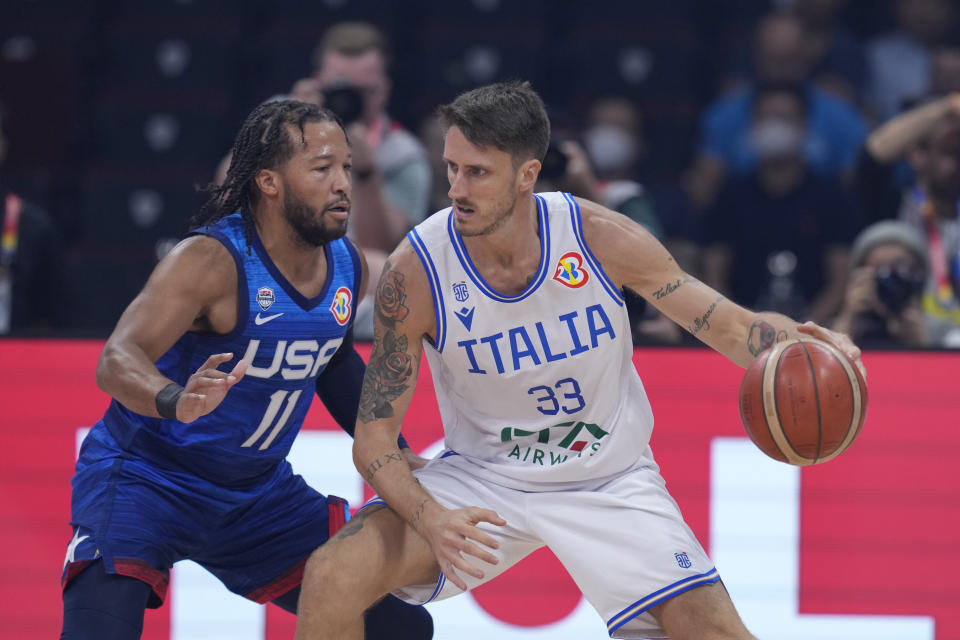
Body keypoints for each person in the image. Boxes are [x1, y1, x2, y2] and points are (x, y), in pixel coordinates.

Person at [293, 81, 865, 640]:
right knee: (331, 575)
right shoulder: (416, 271)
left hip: (608, 479)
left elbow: (732, 326)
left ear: (527, 175)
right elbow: (372, 441)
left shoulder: (597, 236)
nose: (456, 189)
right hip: (484, 477)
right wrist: (431, 518)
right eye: (451, 168)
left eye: (477, 172)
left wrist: (804, 346)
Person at [59, 100, 433, 639]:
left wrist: (393, 451)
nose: (342, 184)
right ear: (269, 182)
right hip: (149, 480)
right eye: (322, 168)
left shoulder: (346, 262)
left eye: (347, 167)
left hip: (257, 498)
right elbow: (117, 358)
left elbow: (332, 361)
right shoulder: (211, 260)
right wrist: (173, 398)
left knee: (402, 630)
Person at [290, 21, 431, 340]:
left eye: (362, 92)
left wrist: (365, 172)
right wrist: (290, 131)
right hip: (279, 256)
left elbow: (384, 247)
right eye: (339, 88)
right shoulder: (279, 121)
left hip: (350, 274)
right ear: (318, 82)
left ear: (383, 89)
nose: (348, 102)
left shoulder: (403, 155)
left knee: (386, 272)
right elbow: (226, 195)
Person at [699, 83, 858, 324]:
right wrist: (744, 328)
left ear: (804, 126)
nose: (774, 127)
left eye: (784, 118)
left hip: (813, 330)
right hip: (740, 330)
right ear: (752, 125)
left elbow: (840, 281)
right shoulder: (730, 194)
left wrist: (803, 331)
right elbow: (714, 277)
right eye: (766, 118)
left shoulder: (831, 195)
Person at [855, 91, 960, 344]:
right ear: (917, 155)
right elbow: (872, 156)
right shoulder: (891, 205)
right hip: (897, 339)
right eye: (951, 152)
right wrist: (949, 107)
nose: (957, 165)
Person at [833, 221, 932, 348]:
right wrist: (849, 320)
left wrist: (921, 343)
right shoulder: (834, 328)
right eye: (878, 270)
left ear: (919, 274)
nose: (888, 280)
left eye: (899, 269)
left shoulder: (943, 328)